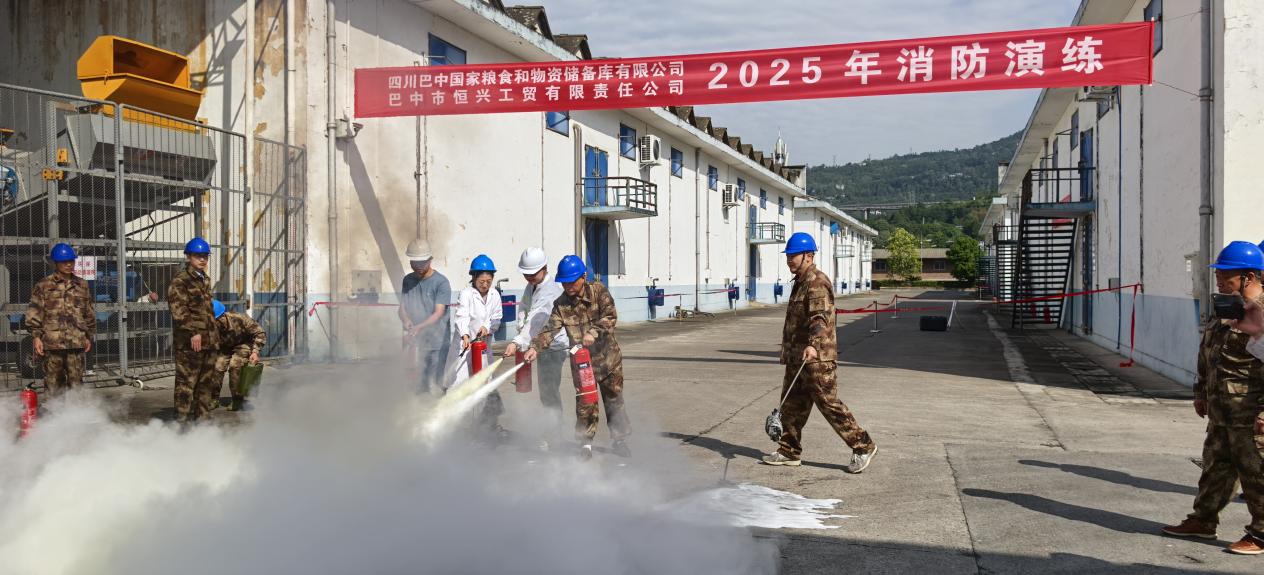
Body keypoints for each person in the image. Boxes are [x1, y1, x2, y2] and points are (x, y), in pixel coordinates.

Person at [1163, 240, 1264, 555]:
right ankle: (1203, 520)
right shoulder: (1228, 308)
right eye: (1218, 273)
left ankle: (1261, 534)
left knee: (1257, 473)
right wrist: (1201, 392)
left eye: (1225, 274)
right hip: (1222, 409)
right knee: (1215, 468)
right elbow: (1209, 352)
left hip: (1251, 413)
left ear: (1249, 276)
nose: (1218, 279)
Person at [762, 232, 877, 473]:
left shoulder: (816, 282)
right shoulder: (800, 282)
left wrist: (813, 344)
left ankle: (863, 446)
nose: (789, 259)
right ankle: (789, 451)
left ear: (809, 255)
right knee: (791, 406)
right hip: (798, 357)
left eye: (794, 255)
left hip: (817, 359)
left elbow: (819, 317)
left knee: (829, 404)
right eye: (788, 255)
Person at [525, 255, 630, 460]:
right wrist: (535, 348)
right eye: (564, 282)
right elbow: (550, 329)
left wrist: (594, 332)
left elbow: (610, 316)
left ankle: (620, 440)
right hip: (582, 364)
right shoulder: (560, 304)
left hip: (608, 360)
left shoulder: (599, 291)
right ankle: (585, 444)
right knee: (585, 403)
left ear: (583, 277)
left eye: (572, 281)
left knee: (614, 399)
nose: (568, 286)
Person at [502, 247, 570, 450]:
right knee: (545, 390)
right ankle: (552, 429)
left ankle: (555, 434)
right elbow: (525, 308)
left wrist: (517, 341)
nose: (529, 278)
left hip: (554, 346)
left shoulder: (549, 292)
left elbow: (536, 321)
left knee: (549, 390)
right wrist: (520, 328)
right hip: (539, 343)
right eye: (526, 274)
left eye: (532, 274)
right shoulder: (533, 285)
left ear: (544, 268)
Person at [26, 243, 95, 396]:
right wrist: (36, 337)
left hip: (76, 342)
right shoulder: (44, 285)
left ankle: (75, 410)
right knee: (53, 385)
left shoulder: (82, 285)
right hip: (52, 343)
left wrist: (88, 335)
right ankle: (53, 411)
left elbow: (88, 312)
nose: (69, 264)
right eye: (64, 262)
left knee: (76, 385)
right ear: (56, 263)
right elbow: (35, 312)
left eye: (71, 261)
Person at [451, 254, 507, 440]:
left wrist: (488, 327)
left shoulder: (495, 295)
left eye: (488, 281)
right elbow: (462, 315)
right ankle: (457, 428)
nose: (485, 285)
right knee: (459, 385)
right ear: (474, 278)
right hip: (464, 346)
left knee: (484, 384)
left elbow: (497, 318)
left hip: (483, 347)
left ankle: (485, 426)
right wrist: (465, 334)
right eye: (482, 281)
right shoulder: (467, 294)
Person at [168, 237, 221, 423]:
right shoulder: (181, 281)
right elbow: (179, 311)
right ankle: (180, 422)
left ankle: (202, 421)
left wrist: (214, 337)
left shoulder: (204, 279)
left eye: (205, 256)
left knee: (206, 383)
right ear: (188, 257)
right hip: (190, 342)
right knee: (186, 383)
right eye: (198, 256)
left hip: (209, 341)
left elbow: (207, 310)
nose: (203, 260)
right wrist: (193, 333)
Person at [398, 238, 452, 394]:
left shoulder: (441, 283)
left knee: (435, 382)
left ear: (430, 260)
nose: (419, 267)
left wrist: (419, 327)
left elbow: (439, 312)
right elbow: (402, 307)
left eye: (422, 262)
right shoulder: (408, 281)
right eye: (415, 263)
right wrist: (406, 320)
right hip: (417, 342)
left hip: (437, 343)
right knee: (418, 383)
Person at [211, 300, 266, 412]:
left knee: (235, 365)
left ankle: (237, 399)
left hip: (243, 344)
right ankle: (213, 399)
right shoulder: (210, 325)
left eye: (216, 320)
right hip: (225, 346)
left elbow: (260, 333)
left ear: (222, 317)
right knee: (217, 366)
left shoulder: (240, 318)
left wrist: (255, 352)